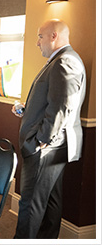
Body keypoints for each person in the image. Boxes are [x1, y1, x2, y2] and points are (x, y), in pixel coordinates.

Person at [13, 19, 86, 239]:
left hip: (47, 147)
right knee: (51, 201)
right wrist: (27, 110)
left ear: (54, 36)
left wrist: (41, 140)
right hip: (52, 146)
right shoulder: (61, 60)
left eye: (40, 36)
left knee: (30, 204)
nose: (37, 43)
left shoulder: (66, 62)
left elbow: (62, 107)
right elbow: (53, 102)